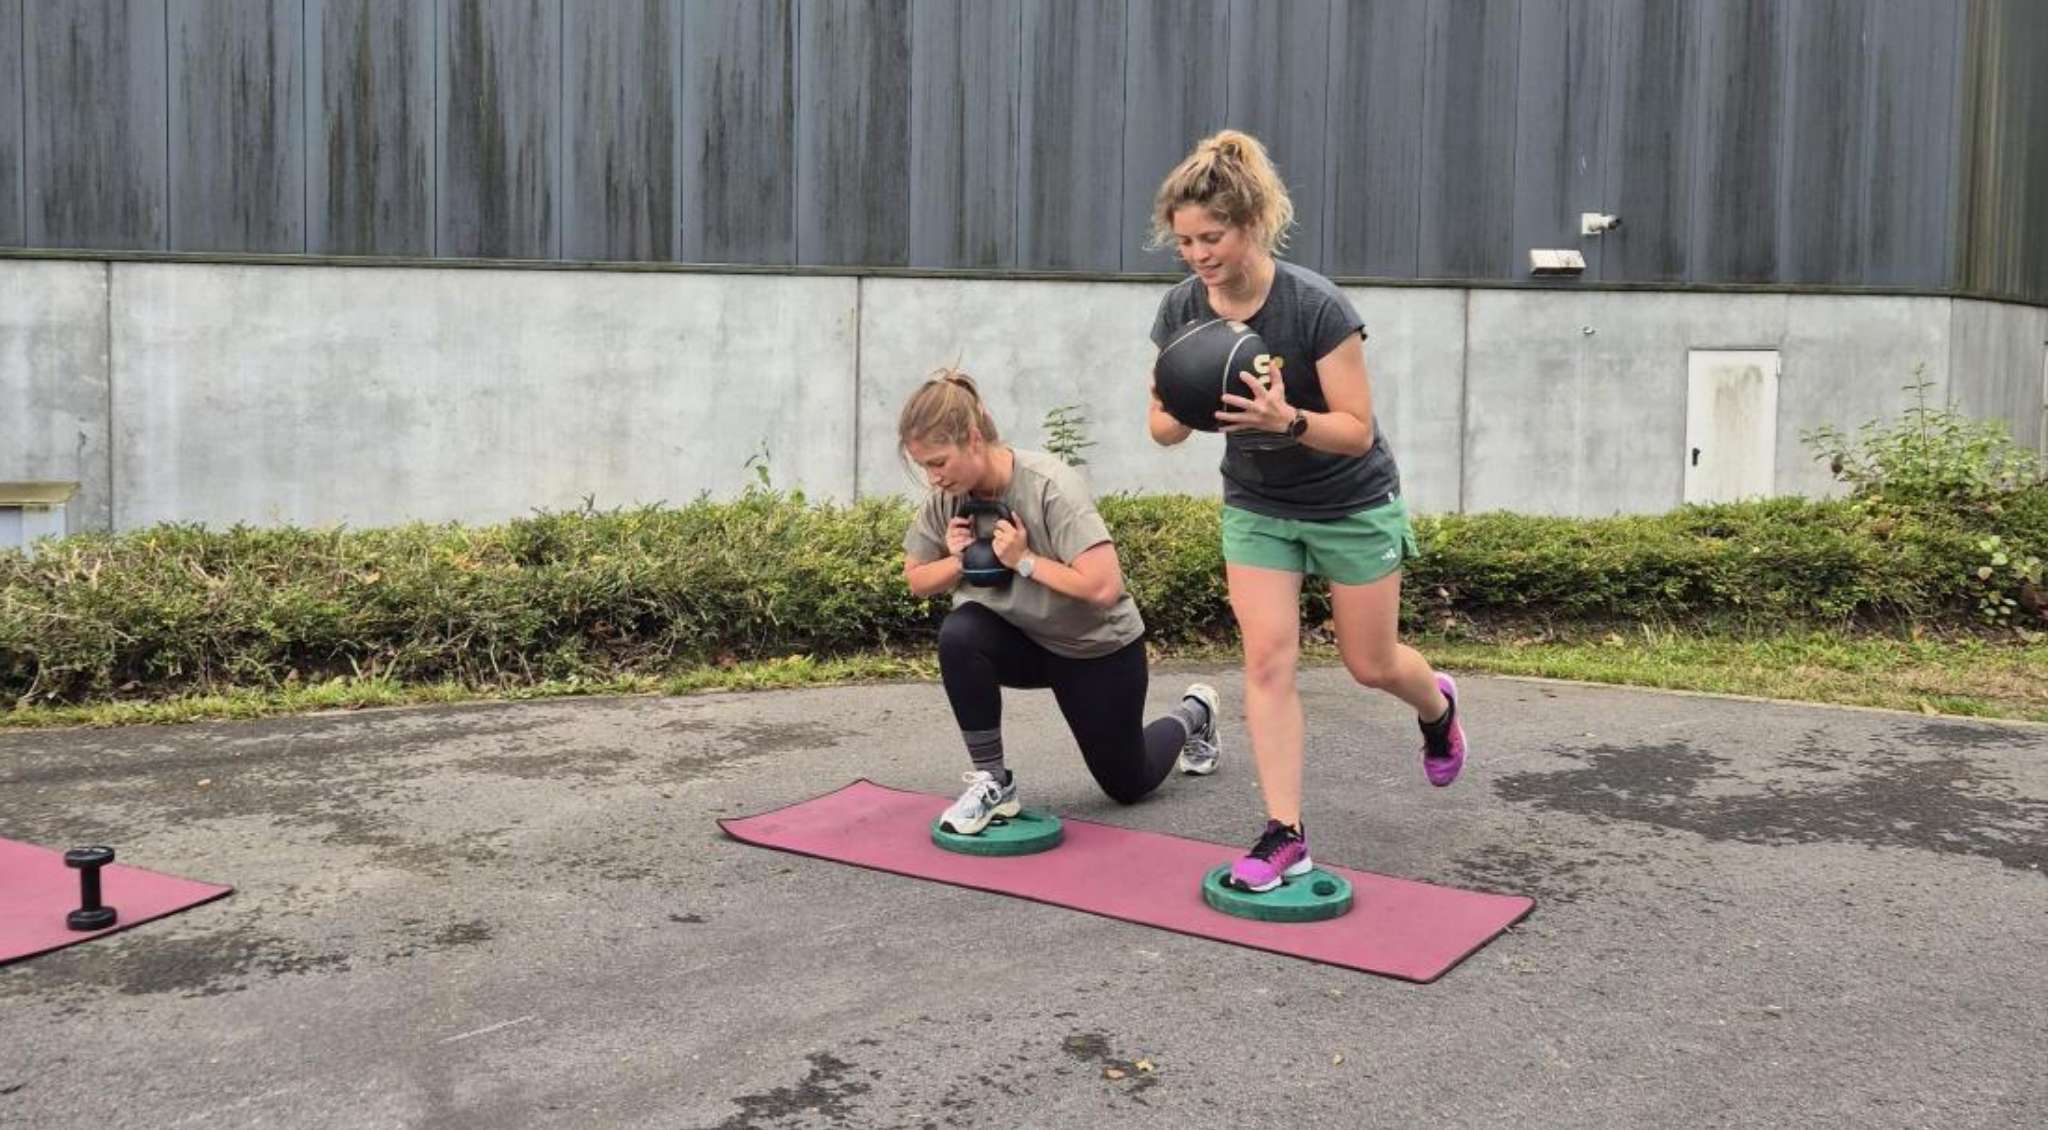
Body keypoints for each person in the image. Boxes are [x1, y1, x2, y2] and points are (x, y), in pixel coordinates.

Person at [1145, 129, 1469, 893]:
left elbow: (1355, 432)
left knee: (1370, 664)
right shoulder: (1182, 308)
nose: (1198, 256)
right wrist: (1192, 404)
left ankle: (1437, 707)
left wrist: (1283, 419)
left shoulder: (1316, 306)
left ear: (1251, 224)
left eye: (1212, 238)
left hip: (1350, 501)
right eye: (1185, 241)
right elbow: (1159, 426)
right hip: (1258, 505)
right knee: (1266, 662)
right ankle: (1284, 832)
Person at [899, 368, 1221, 833]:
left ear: (972, 439)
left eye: (938, 463)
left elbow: (1104, 586)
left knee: (1128, 784)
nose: (932, 478)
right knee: (961, 634)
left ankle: (1195, 714)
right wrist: (957, 560)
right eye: (923, 467)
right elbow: (916, 579)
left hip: (1094, 649)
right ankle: (993, 782)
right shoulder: (947, 499)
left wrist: (1025, 560)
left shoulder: (1049, 485)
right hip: (1023, 644)